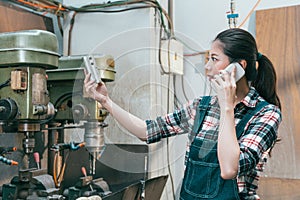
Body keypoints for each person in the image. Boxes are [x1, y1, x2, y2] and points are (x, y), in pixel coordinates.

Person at [84, 28, 282, 200]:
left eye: (214, 59)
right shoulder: (200, 107)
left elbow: (229, 169)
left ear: (239, 66)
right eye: (207, 59)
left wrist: (227, 107)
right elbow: (147, 130)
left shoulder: (265, 114)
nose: (207, 67)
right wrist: (106, 102)